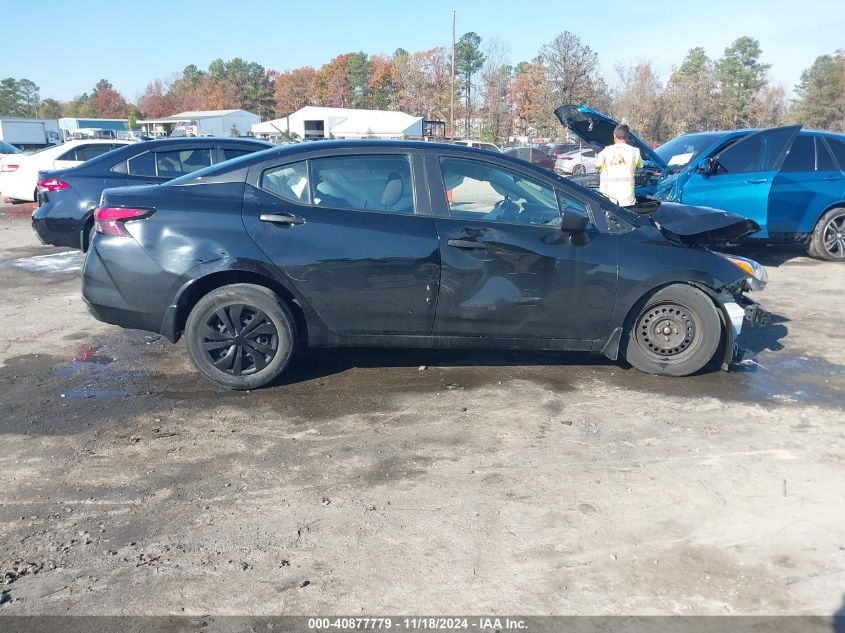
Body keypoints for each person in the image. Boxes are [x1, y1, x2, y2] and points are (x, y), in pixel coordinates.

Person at [594, 124, 643, 207]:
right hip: (626, 194)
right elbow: (640, 166)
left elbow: (597, 165)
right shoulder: (635, 152)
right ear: (627, 137)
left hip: (608, 194)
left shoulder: (606, 151)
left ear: (614, 136)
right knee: (626, 217)